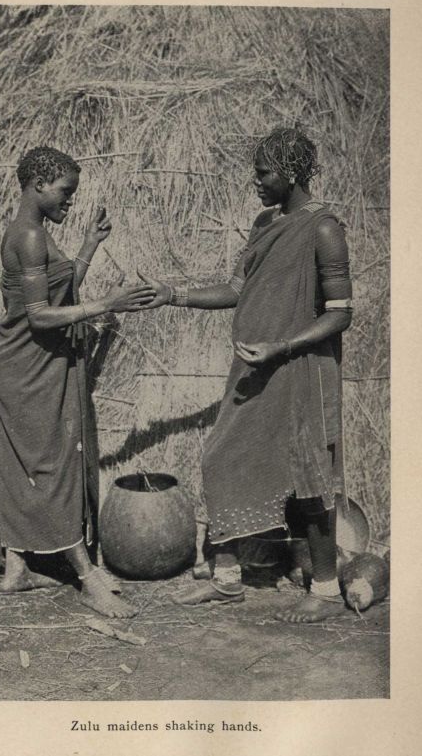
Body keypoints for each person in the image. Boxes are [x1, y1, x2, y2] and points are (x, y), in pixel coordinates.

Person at [139, 128, 353, 623]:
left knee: (309, 474)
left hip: (302, 369)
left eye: (263, 172)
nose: (255, 181)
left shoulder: (323, 228)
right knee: (223, 455)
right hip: (256, 366)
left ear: (292, 172)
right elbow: (237, 288)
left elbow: (341, 313)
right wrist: (174, 294)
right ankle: (228, 581)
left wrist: (281, 345)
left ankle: (324, 591)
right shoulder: (265, 223)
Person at [0, 146, 156, 617]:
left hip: (34, 362)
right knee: (50, 465)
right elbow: (40, 317)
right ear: (38, 184)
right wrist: (108, 304)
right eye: (66, 192)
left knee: (30, 463)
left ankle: (17, 570)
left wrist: (88, 246)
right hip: (26, 365)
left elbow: (56, 288)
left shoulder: (35, 233)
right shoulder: (29, 236)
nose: (71, 201)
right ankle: (85, 576)